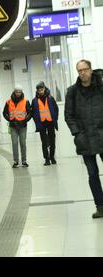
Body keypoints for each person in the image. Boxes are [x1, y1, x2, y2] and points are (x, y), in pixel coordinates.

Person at [65, 59, 103, 219]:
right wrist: (77, 134)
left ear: (91, 69)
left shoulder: (101, 88)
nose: (82, 73)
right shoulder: (73, 92)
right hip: (85, 139)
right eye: (79, 70)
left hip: (102, 136)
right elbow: (68, 115)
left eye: (85, 69)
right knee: (92, 174)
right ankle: (100, 207)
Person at [3, 85, 32, 168]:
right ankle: (16, 161)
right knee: (14, 143)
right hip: (13, 126)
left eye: (20, 92)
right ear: (14, 92)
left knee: (23, 143)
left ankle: (24, 161)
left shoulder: (26, 101)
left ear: (21, 92)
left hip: (22, 126)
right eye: (17, 92)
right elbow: (4, 112)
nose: (18, 93)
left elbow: (30, 112)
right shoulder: (8, 102)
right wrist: (9, 119)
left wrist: (25, 120)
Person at [31, 82, 59, 166]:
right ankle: (46, 159)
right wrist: (36, 120)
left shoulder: (50, 98)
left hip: (50, 122)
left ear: (44, 88)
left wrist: (55, 118)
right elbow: (33, 112)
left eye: (42, 89)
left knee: (52, 140)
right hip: (41, 123)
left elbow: (56, 109)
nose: (40, 91)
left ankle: (52, 157)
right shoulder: (34, 101)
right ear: (37, 91)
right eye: (39, 90)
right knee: (44, 142)